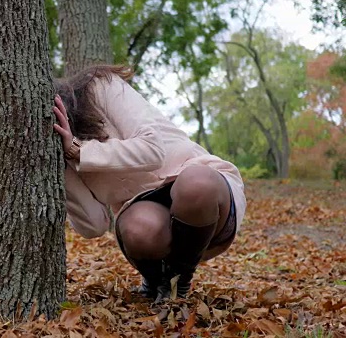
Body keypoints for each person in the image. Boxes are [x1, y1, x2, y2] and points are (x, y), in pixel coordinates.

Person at [52, 65, 246, 302]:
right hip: (147, 217)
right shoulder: (64, 150)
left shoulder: (100, 85)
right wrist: (61, 163)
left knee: (196, 183)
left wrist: (79, 150)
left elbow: (152, 150)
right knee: (137, 228)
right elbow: (94, 225)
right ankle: (156, 281)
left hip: (206, 206)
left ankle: (180, 280)